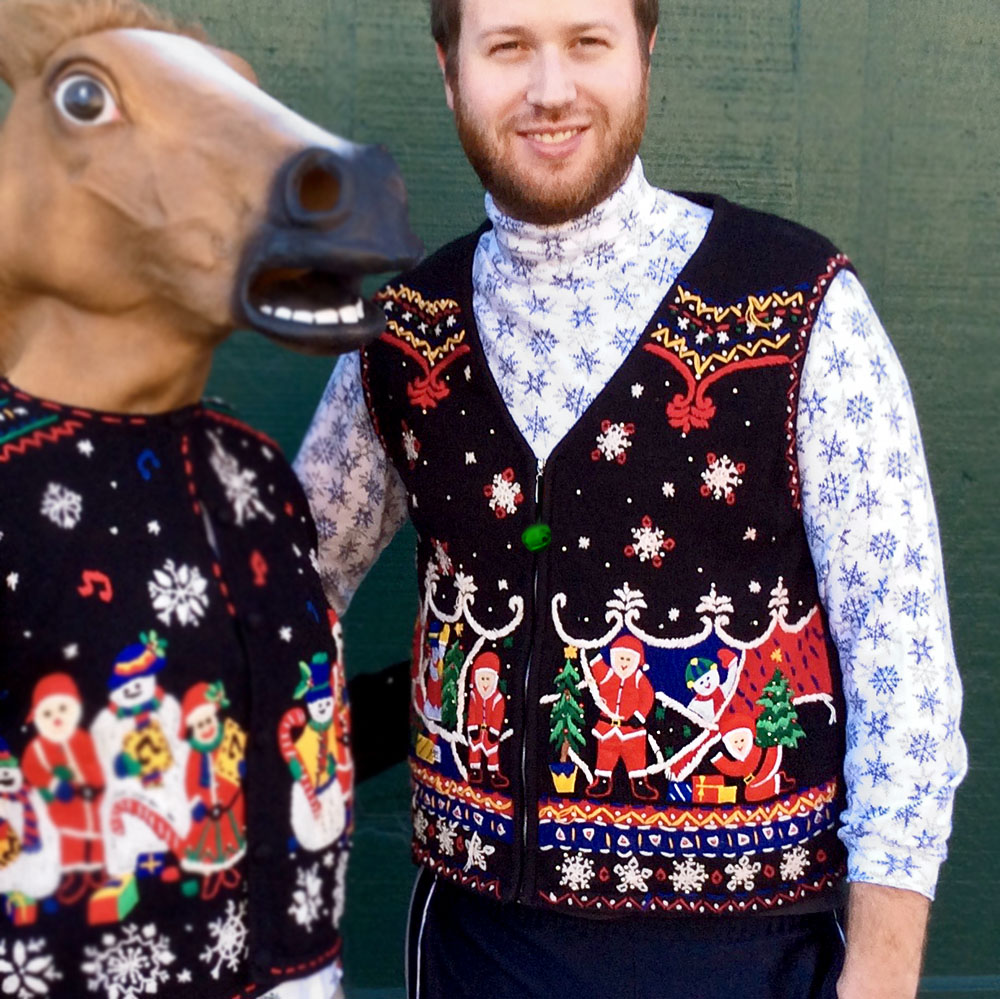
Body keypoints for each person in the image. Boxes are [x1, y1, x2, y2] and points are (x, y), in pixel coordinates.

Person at [295, 1, 967, 996]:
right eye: (508, 47)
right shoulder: (405, 338)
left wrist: (880, 971)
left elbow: (902, 669)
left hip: (752, 949)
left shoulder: (796, 308)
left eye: (587, 42)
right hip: (474, 946)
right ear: (449, 71)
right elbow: (287, 594)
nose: (551, 88)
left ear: (645, 51)